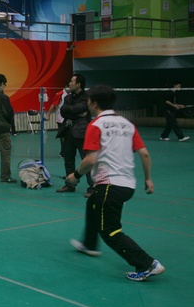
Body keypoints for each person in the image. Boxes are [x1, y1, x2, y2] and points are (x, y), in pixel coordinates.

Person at [65, 85, 164, 282]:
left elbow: (90, 159)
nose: (87, 103)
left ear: (93, 103)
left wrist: (75, 176)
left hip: (109, 185)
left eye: (88, 100)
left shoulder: (96, 125)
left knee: (110, 231)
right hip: (128, 185)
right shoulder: (127, 124)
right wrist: (148, 179)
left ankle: (148, 264)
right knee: (92, 203)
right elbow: (144, 154)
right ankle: (90, 244)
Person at [56, 74, 94, 197]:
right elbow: (63, 111)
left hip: (82, 133)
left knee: (86, 160)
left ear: (78, 84)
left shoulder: (87, 97)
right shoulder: (68, 97)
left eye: (72, 81)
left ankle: (92, 187)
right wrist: (76, 113)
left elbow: (81, 108)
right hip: (68, 131)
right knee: (68, 159)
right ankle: (70, 184)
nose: (69, 84)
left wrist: (72, 110)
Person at [47, 83, 70, 157]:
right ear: (66, 86)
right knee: (62, 136)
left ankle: (68, 151)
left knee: (69, 136)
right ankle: (63, 153)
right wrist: (48, 115)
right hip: (61, 119)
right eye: (69, 86)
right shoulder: (60, 94)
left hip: (69, 118)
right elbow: (53, 105)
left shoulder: (72, 94)